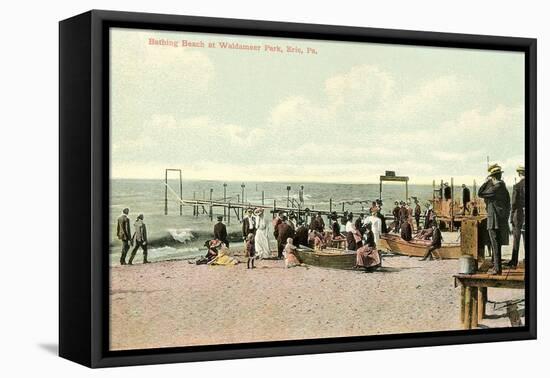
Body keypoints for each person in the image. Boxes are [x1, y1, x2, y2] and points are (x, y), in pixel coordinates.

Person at [478, 164, 511, 275]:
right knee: (496, 244)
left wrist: (487, 182)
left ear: (493, 177)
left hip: (494, 219)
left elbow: (480, 193)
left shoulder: (496, 188)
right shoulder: (503, 187)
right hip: (500, 219)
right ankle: (497, 267)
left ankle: (497, 269)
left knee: (495, 244)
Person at [509, 165, 526, 268]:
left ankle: (514, 261)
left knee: (516, 239)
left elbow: (514, 204)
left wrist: (511, 217)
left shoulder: (517, 186)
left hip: (518, 215)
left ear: (519, 174)